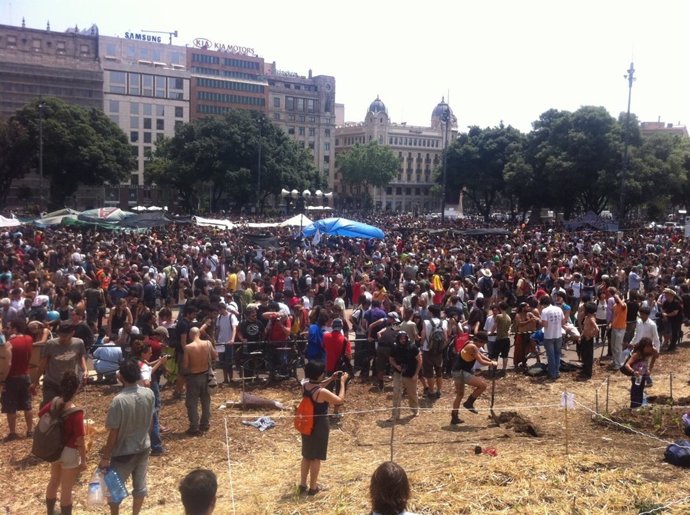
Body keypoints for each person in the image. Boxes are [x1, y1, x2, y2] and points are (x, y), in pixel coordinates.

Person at [99, 358, 155, 515]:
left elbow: (113, 433)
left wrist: (105, 456)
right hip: (143, 446)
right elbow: (150, 422)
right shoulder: (148, 393)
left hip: (123, 452)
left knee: (114, 490)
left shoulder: (118, 401)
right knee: (140, 487)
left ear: (121, 377)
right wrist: (146, 439)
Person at [298, 360, 348, 496]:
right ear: (319, 374)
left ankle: (302, 485)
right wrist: (342, 382)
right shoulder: (322, 392)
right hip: (319, 424)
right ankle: (313, 488)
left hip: (306, 423)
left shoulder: (304, 385)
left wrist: (331, 379)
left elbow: (316, 385)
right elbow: (339, 400)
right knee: (316, 457)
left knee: (307, 455)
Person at [43, 370, 86, 515]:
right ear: (77, 388)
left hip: (54, 449)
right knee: (66, 489)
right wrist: (84, 460)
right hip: (69, 452)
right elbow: (80, 440)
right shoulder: (77, 412)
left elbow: (41, 414)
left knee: (54, 481)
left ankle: (50, 511)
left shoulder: (53, 403)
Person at [32, 321, 88, 407]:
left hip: (68, 383)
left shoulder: (79, 343)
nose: (63, 338)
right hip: (51, 381)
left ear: (72, 333)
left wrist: (85, 370)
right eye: (61, 335)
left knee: (65, 407)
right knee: (49, 406)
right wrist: (35, 382)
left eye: (65, 335)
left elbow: (81, 357)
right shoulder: (51, 344)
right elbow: (43, 364)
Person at [450, 331, 497, 424]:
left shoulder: (470, 343)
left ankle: (454, 417)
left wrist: (489, 359)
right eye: (483, 343)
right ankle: (469, 403)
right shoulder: (473, 347)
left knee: (459, 395)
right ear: (480, 341)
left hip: (456, 371)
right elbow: (481, 362)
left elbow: (480, 355)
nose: (483, 345)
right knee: (483, 386)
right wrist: (492, 363)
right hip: (461, 372)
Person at [1, 318, 34, 441]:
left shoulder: (10, 343)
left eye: (10, 327)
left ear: (14, 328)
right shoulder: (29, 339)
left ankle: (13, 433)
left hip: (12, 377)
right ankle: (30, 430)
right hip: (26, 375)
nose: (8, 330)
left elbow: (8, 363)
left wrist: (3, 379)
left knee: (11, 406)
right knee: (27, 404)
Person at [182, 327, 217, 436]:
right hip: (206, 375)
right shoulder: (207, 343)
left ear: (190, 335)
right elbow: (215, 356)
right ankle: (205, 423)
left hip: (194, 377)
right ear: (199, 334)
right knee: (206, 401)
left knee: (192, 403)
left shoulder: (188, 347)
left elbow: (185, 365)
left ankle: (194, 427)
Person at [389, 331, 421, 420]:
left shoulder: (413, 347)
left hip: (411, 374)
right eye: (401, 338)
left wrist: (416, 374)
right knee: (396, 394)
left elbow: (419, 361)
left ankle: (415, 410)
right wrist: (396, 366)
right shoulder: (395, 347)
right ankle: (395, 415)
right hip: (398, 374)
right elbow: (391, 359)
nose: (403, 340)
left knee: (412, 394)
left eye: (404, 338)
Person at [322, 318, 351, 417]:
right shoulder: (345, 340)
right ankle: (336, 411)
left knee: (327, 388)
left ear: (332, 326)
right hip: (340, 368)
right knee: (340, 388)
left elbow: (324, 347)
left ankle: (324, 410)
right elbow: (349, 356)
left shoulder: (326, 336)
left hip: (329, 366)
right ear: (341, 327)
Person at [420, 305, 447, 398]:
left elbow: (423, 336)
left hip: (427, 350)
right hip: (438, 351)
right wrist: (440, 348)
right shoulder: (443, 323)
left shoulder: (426, 322)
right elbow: (445, 339)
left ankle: (431, 391)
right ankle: (439, 391)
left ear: (431, 312)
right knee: (439, 371)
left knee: (429, 372)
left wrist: (421, 345)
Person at [624, 337, 658, 408]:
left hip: (643, 375)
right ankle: (634, 406)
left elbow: (655, 356)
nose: (649, 348)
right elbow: (627, 365)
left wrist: (650, 369)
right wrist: (633, 372)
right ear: (643, 347)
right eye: (647, 347)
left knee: (641, 390)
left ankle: (639, 406)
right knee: (635, 391)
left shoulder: (651, 351)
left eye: (650, 346)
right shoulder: (637, 354)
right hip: (636, 376)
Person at [539, 296, 563, 380]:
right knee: (557, 354)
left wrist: (539, 321)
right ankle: (557, 372)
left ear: (543, 304)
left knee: (551, 355)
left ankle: (552, 374)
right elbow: (563, 321)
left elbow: (545, 324)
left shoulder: (544, 311)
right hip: (558, 335)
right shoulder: (559, 309)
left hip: (549, 335)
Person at [579, 302, 598, 379]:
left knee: (588, 356)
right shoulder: (586, 317)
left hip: (588, 339)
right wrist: (581, 336)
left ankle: (588, 373)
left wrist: (591, 336)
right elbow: (585, 328)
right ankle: (584, 370)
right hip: (584, 338)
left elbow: (597, 329)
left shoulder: (591, 318)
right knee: (584, 355)